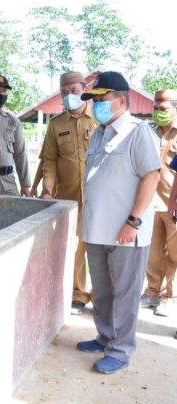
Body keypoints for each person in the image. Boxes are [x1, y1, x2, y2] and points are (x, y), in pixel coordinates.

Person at [75, 71, 161, 374]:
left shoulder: (139, 132)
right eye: (94, 100)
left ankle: (121, 350)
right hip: (98, 229)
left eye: (101, 99)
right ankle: (105, 336)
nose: (96, 105)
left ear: (121, 101)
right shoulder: (100, 131)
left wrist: (133, 221)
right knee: (104, 290)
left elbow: (151, 175)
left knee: (125, 293)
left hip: (125, 232)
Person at [40, 71, 98, 314]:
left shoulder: (100, 118)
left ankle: (103, 295)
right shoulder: (56, 124)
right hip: (69, 195)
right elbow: (50, 160)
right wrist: (47, 187)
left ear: (84, 90)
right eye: (64, 93)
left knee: (100, 244)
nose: (69, 96)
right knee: (75, 246)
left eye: (73, 91)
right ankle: (77, 293)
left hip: (100, 196)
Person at [140, 89, 177, 317]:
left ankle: (171, 297)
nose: (158, 112)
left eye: (163, 109)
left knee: (174, 254)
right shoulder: (149, 133)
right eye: (155, 108)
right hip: (151, 202)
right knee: (153, 252)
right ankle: (152, 291)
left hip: (173, 203)